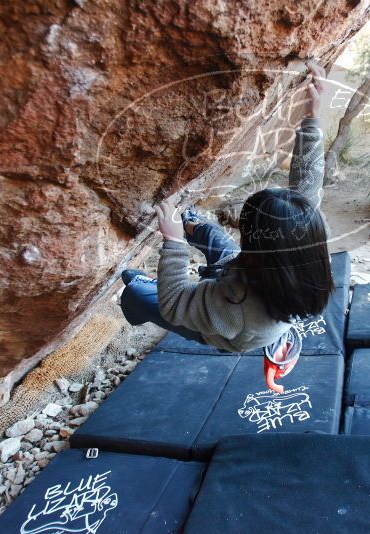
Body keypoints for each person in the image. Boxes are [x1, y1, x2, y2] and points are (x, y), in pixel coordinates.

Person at [119, 62, 333, 393]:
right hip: (247, 283)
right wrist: (312, 118)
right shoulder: (302, 249)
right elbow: (306, 187)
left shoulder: (237, 307)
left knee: (133, 286)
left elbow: (175, 303)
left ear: (257, 250)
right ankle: (188, 220)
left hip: (226, 328)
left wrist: (173, 243)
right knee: (214, 238)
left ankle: (141, 285)